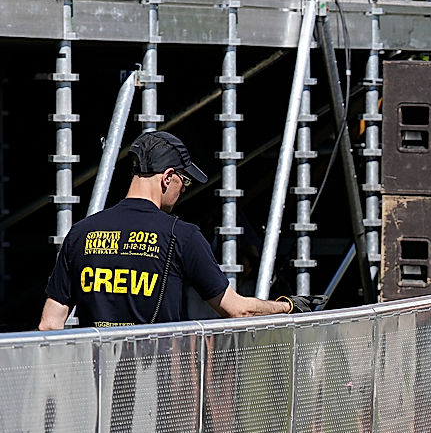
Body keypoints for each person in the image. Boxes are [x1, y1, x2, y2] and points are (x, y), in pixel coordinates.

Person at [38, 130, 310, 330]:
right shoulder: (182, 235)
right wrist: (287, 306)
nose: (183, 190)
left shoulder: (81, 233)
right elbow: (238, 311)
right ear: (168, 177)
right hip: (157, 388)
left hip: (95, 385)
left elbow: (50, 325)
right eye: (185, 181)